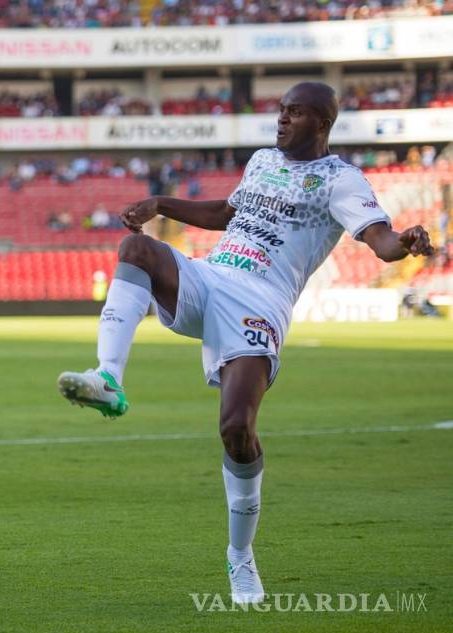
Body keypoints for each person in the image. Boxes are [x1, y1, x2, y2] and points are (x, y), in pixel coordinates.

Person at [56, 82, 433, 605]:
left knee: (236, 429)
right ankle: (108, 379)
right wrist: (160, 204)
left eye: (295, 113)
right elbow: (225, 215)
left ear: (322, 124)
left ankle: (240, 556)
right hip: (210, 277)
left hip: (261, 302)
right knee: (136, 249)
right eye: (281, 111)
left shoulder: (340, 180)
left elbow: (381, 241)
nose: (282, 120)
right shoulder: (261, 161)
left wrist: (405, 242)